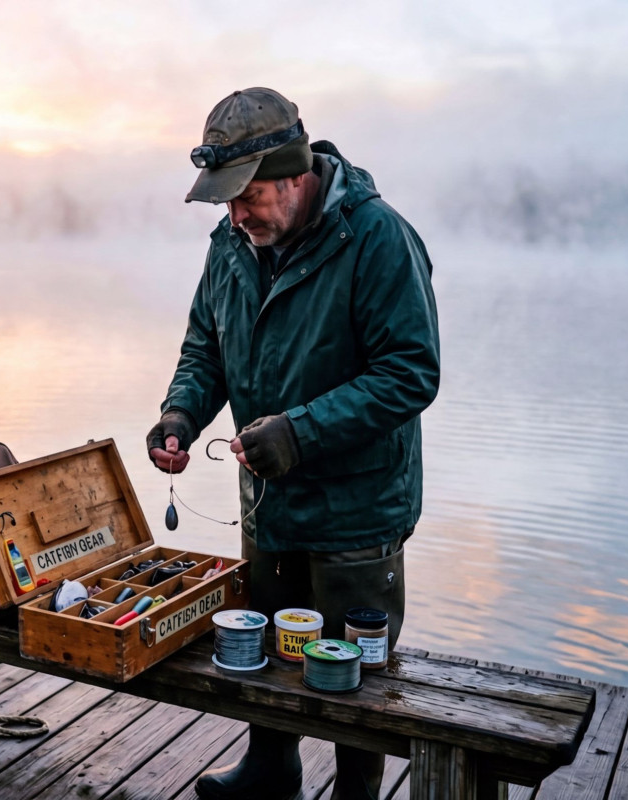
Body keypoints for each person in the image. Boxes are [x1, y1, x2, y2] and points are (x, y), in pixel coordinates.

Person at [148, 88, 440, 800]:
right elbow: (204, 348)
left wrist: (300, 433)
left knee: (352, 676)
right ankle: (271, 771)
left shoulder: (377, 238)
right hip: (270, 501)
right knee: (268, 644)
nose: (234, 214)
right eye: (224, 201)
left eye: (245, 196)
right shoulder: (232, 243)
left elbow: (411, 372)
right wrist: (180, 415)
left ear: (294, 173)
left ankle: (355, 794)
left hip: (358, 510)